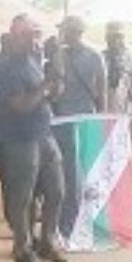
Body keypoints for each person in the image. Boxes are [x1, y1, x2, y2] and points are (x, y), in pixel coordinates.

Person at [0, 15, 67, 262]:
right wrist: (46, 87)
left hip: (43, 133)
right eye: (29, 35)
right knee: (23, 197)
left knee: (57, 190)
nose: (35, 40)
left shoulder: (34, 62)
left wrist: (55, 82)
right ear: (16, 37)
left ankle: (47, 241)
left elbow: (48, 95)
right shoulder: (8, 68)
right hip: (20, 137)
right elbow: (21, 106)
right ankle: (22, 250)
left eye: (37, 34)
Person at [52, 16, 107, 236]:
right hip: (65, 120)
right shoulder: (60, 55)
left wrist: (102, 119)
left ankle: (78, 221)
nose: (62, 35)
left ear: (75, 32)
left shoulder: (94, 57)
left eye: (65, 31)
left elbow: (101, 90)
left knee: (82, 170)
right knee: (69, 172)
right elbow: (56, 89)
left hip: (83, 119)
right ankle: (69, 221)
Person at [104, 22, 132, 195]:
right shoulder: (100, 58)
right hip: (106, 110)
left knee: (131, 145)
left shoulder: (130, 59)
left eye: (120, 37)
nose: (116, 41)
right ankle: (112, 181)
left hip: (126, 110)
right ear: (107, 39)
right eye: (113, 37)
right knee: (109, 147)